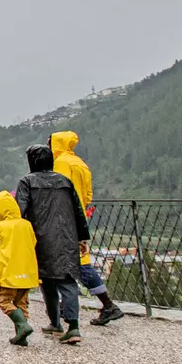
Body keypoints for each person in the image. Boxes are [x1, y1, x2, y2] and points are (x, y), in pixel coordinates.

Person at [16, 143, 91, 345]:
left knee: (47, 280)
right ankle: (72, 326)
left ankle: (55, 322)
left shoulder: (27, 182)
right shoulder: (64, 181)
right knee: (67, 281)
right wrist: (82, 237)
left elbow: (20, 211)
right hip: (66, 237)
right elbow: (78, 211)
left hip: (40, 239)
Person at [51, 130, 125, 325]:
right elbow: (88, 196)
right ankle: (101, 305)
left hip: (64, 220)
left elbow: (58, 189)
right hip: (79, 217)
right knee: (80, 261)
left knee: (65, 263)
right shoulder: (81, 164)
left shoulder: (61, 163)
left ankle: (100, 306)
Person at [0, 191, 39, 345]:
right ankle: (21, 336)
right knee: (22, 303)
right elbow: (33, 243)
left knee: (4, 300)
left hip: (9, 271)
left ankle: (22, 326)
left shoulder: (0, 227)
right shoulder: (26, 224)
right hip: (28, 272)